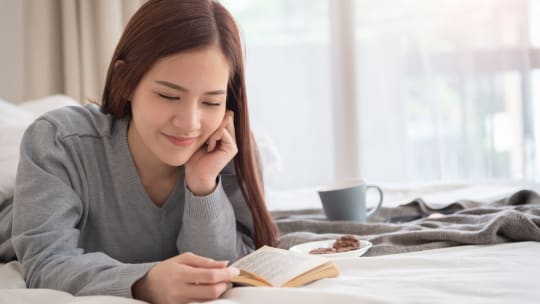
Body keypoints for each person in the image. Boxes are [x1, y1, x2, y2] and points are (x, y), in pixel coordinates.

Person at [6, 0, 278, 303]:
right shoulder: (60, 140)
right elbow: (46, 262)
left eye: (211, 102)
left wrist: (203, 185)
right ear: (126, 80)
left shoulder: (227, 150)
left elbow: (225, 268)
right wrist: (144, 282)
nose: (189, 123)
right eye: (168, 95)